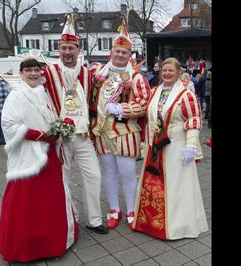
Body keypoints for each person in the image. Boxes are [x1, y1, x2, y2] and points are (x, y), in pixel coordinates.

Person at [0, 58, 79, 262]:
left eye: (36, 70)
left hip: (49, 153)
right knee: (26, 201)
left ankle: (54, 240)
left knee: (51, 198)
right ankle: (25, 246)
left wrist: (62, 125)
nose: (33, 73)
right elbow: (9, 124)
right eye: (29, 70)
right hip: (29, 156)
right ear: (21, 73)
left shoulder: (44, 93)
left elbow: (51, 119)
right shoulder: (15, 95)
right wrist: (40, 135)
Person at [42, 14, 108, 234]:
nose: (68, 52)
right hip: (60, 137)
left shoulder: (87, 74)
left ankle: (94, 219)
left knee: (94, 176)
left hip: (83, 136)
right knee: (63, 179)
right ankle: (70, 218)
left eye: (72, 48)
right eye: (64, 48)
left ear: (78, 50)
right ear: (58, 50)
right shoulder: (47, 74)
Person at [132, 57, 208, 240]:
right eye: (164, 70)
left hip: (176, 147)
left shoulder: (186, 95)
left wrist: (191, 145)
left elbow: (193, 120)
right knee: (153, 183)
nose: (166, 73)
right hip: (155, 149)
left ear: (178, 73)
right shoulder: (155, 91)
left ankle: (177, 226)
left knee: (175, 185)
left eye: (170, 71)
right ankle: (149, 223)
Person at [88, 17, 151, 230]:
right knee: (108, 173)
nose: (120, 55)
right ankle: (114, 209)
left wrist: (122, 109)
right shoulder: (98, 75)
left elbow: (144, 104)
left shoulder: (136, 78)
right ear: (111, 53)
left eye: (124, 52)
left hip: (126, 133)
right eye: (118, 51)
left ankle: (132, 210)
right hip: (102, 132)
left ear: (129, 55)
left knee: (127, 173)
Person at [0, 71, 9, 145]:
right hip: (5, 108)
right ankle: (6, 138)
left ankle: (2, 140)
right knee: (4, 124)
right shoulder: (5, 84)